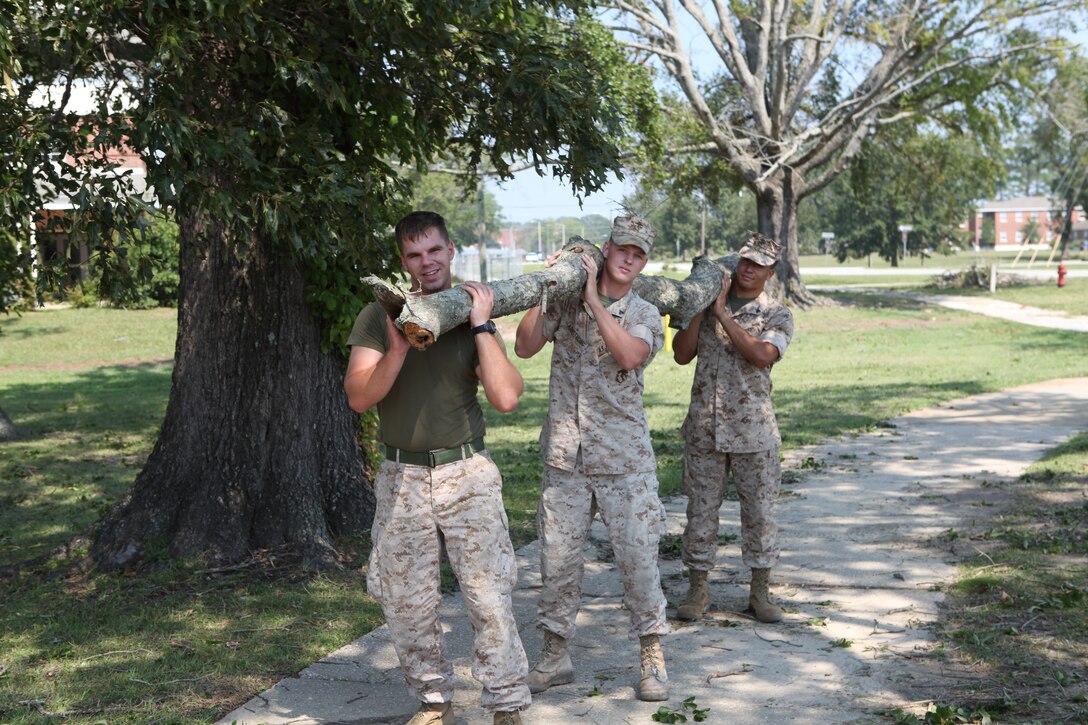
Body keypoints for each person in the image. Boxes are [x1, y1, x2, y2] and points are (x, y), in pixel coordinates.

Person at [343, 211, 529, 725]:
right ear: (403, 261)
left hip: (465, 472)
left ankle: (507, 703)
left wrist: (482, 325)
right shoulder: (377, 317)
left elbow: (507, 397)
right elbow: (359, 397)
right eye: (413, 255)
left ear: (451, 251)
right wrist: (398, 346)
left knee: (488, 597)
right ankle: (432, 701)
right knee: (406, 602)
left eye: (434, 251)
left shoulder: (471, 316)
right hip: (401, 476)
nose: (426, 263)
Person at [514, 215, 670, 702]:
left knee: (639, 563)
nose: (628, 258)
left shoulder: (643, 311)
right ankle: (555, 654)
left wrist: (592, 303)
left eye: (638, 254)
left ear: (643, 262)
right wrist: (548, 287)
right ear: (606, 249)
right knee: (557, 563)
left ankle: (652, 656)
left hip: (625, 461)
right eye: (623, 248)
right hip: (567, 457)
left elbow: (629, 356)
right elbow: (524, 346)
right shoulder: (565, 300)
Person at [672, 231, 794, 624]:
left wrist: (724, 315)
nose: (748, 269)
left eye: (758, 264)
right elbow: (681, 354)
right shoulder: (709, 301)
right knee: (700, 512)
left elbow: (761, 355)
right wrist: (702, 309)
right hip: (704, 428)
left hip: (753, 431)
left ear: (770, 272)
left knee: (759, 513)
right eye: (744, 261)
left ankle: (759, 592)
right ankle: (698, 589)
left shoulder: (776, 314)